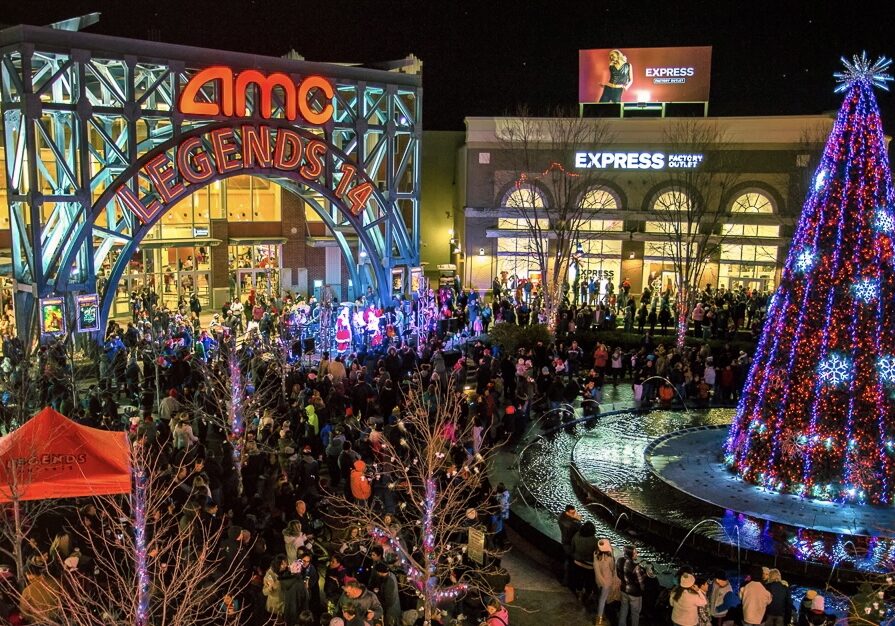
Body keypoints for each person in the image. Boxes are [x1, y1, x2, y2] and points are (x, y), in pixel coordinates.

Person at [617, 545, 646, 626]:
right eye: (635, 553)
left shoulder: (619, 560)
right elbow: (641, 584)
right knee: (635, 614)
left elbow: (618, 574)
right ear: (631, 554)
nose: (637, 554)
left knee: (623, 609)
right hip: (635, 594)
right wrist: (645, 575)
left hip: (623, 589)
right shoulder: (636, 567)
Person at [593, 538, 617, 625]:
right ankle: (599, 620)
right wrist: (613, 554)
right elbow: (613, 568)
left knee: (600, 597)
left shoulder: (596, 554)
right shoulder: (609, 558)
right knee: (603, 600)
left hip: (598, 580)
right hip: (606, 581)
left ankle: (601, 614)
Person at [557, 504, 582, 586]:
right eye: (572, 513)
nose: (574, 513)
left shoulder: (562, 516)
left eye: (574, 512)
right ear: (567, 512)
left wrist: (573, 518)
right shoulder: (570, 524)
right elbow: (580, 530)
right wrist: (578, 520)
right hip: (568, 544)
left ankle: (566, 579)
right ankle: (566, 581)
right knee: (569, 562)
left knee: (568, 561)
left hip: (565, 541)